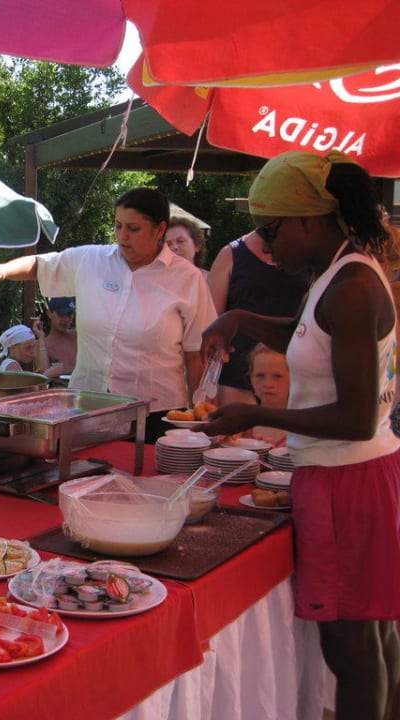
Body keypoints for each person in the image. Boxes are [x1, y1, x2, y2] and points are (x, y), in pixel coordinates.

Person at [200, 151, 400, 720]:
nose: (268, 244)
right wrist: (239, 316)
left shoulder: (353, 285)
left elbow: (356, 417)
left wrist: (253, 418)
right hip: (349, 473)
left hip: (349, 476)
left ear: (310, 221)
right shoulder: (339, 273)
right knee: (374, 631)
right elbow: (309, 333)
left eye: (273, 230)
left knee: (351, 645)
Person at [0, 187, 217, 443]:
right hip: (88, 406)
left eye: (133, 229)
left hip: (156, 413)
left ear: (159, 230)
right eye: (118, 226)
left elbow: (197, 355)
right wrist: (3, 270)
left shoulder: (187, 279)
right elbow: (42, 265)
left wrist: (198, 411)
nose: (123, 236)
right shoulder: (92, 260)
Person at [207, 223, 309, 405]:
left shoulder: (310, 255)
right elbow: (211, 323)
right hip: (237, 378)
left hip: (295, 380)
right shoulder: (230, 254)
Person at [244, 343, 290, 446]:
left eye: (277, 376)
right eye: (260, 376)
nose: (268, 384)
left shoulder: (302, 429)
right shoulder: (244, 426)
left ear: (293, 378)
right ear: (251, 379)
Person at [0, 324, 64, 378]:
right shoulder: (12, 365)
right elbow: (25, 393)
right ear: (13, 349)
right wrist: (46, 376)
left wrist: (35, 377)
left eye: (33, 346)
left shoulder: (9, 363)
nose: (33, 352)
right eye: (28, 348)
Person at [40, 296, 77, 373]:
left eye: (69, 315)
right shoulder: (43, 345)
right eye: (61, 315)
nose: (66, 320)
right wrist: (40, 337)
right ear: (49, 313)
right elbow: (42, 379)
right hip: (60, 384)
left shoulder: (78, 336)